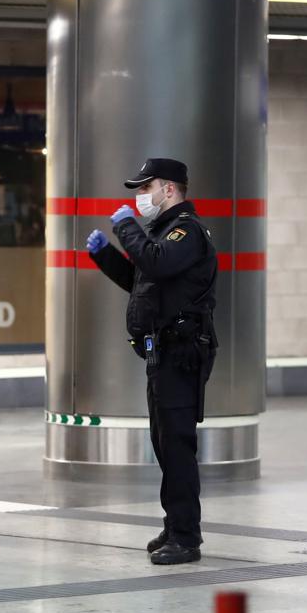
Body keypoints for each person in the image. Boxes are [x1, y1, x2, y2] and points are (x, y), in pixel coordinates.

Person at [85, 157, 218, 565]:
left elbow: (157, 262)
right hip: (162, 352)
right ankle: (175, 522)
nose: (141, 196)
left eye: (146, 188)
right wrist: (107, 256)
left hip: (181, 354)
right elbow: (144, 283)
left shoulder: (185, 232)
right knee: (164, 444)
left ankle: (186, 537)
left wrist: (125, 227)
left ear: (170, 189)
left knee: (177, 445)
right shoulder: (163, 233)